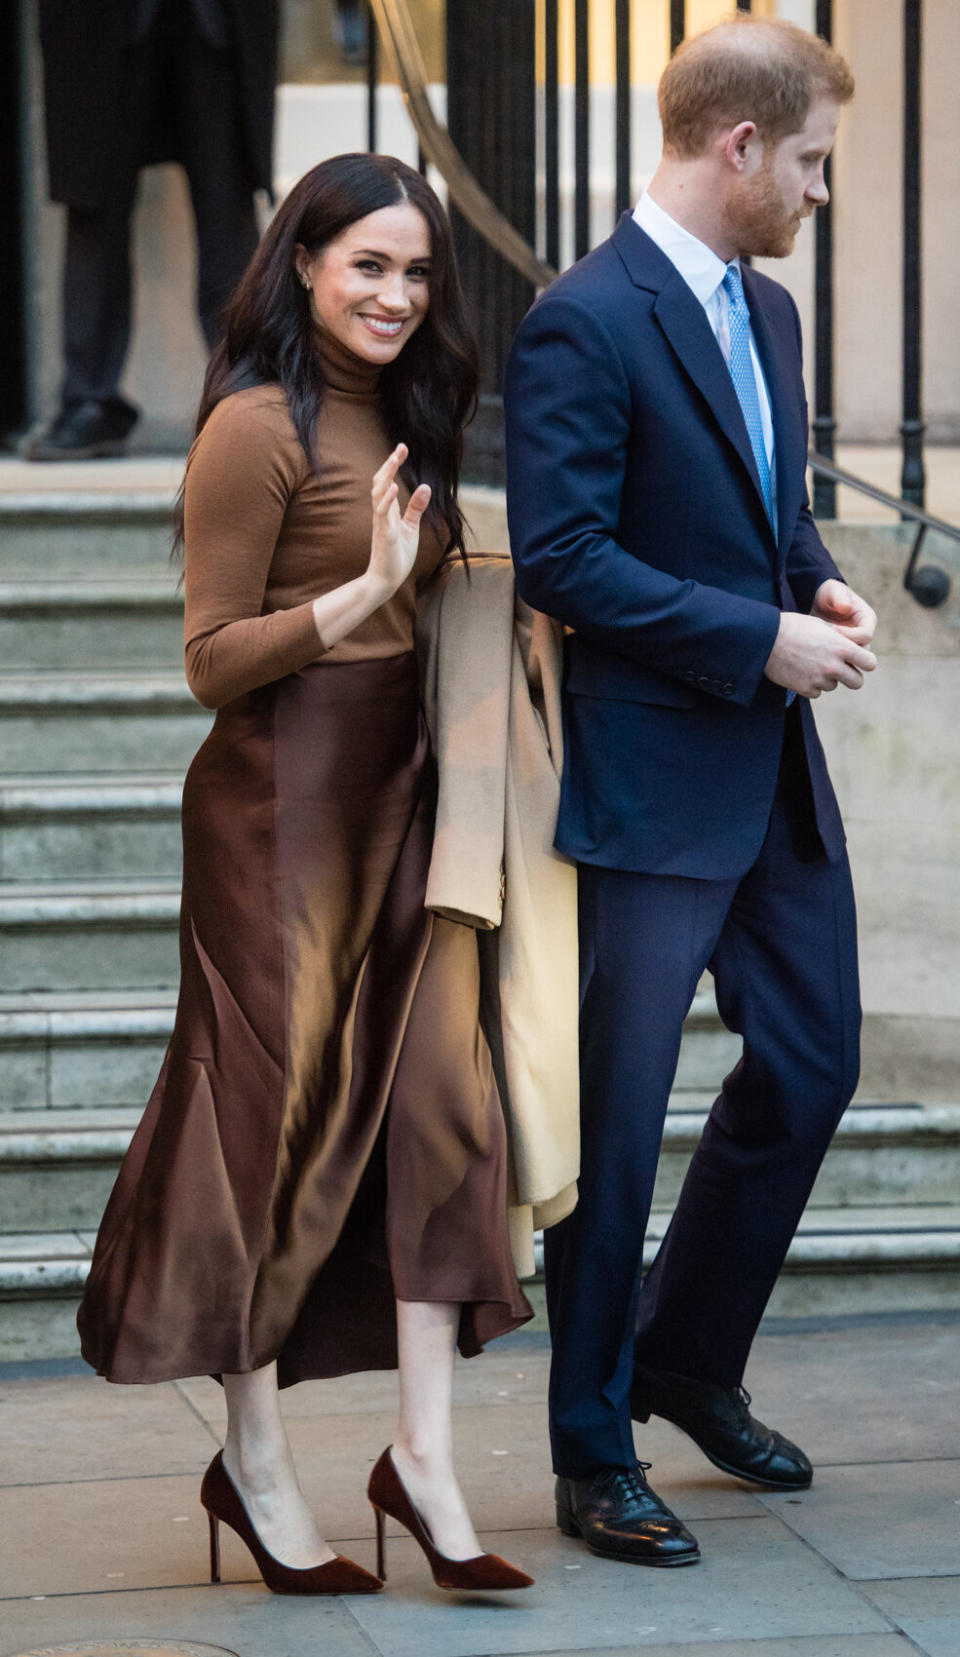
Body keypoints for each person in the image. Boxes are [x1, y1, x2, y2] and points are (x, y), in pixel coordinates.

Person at [77, 151, 534, 1597]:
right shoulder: (252, 427)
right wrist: (361, 593)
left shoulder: (406, 406)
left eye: (417, 271)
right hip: (279, 813)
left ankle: (427, 1463)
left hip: (412, 796)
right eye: (369, 266)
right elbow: (210, 660)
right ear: (306, 265)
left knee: (443, 1108)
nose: (398, 295)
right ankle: (256, 1461)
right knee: (264, 1132)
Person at [505, 17, 876, 1567]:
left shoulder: (770, 315)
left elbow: (767, 519)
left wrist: (825, 587)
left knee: (810, 1065)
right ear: (739, 150)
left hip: (771, 771)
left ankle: (684, 1358)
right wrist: (761, 638)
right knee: (618, 1121)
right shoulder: (583, 320)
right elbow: (564, 560)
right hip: (648, 787)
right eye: (810, 163)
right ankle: (593, 1449)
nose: (817, 192)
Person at [24, 0, 277, 460]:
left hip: (217, 18)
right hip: (97, 23)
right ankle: (88, 402)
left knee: (229, 208)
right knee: (91, 201)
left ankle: (250, 395)